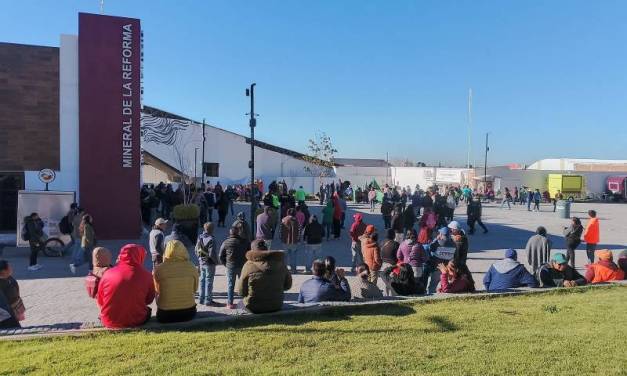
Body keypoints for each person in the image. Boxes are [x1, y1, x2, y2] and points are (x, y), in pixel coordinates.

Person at [97, 244, 155, 328]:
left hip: (108, 320)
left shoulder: (108, 273)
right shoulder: (147, 275)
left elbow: (100, 300)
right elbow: (149, 300)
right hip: (137, 320)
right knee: (147, 310)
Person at [237, 239, 292, 313]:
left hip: (254, 306)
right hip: (276, 305)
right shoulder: (280, 263)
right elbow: (288, 286)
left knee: (239, 304)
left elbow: (241, 292)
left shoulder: (248, 265)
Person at [153, 240, 198, 323]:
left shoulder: (159, 269)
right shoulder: (192, 267)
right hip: (188, 313)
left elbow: (157, 291)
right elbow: (194, 289)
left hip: (165, 315)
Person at [220, 227, 250, 309]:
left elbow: (220, 255)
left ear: (230, 233)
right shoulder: (244, 242)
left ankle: (230, 303)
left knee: (230, 285)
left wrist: (225, 264)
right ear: (238, 233)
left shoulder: (226, 242)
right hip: (242, 266)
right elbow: (249, 252)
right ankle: (244, 302)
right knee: (243, 284)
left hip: (231, 266)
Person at [196, 222, 220, 306]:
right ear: (212, 229)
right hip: (209, 263)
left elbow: (196, 250)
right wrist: (216, 262)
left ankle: (201, 299)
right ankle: (208, 300)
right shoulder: (211, 239)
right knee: (209, 281)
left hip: (201, 262)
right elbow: (212, 254)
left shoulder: (199, 237)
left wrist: (199, 259)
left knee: (202, 280)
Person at [0, 260, 25, 326]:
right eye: (9, 267)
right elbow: (4, 302)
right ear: (3, 271)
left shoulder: (9, 278)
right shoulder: (2, 283)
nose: (11, 268)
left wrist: (19, 310)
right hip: (7, 314)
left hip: (14, 308)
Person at [281, 208, 300, 273]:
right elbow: (299, 231)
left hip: (285, 241)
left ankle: (284, 269)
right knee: (293, 256)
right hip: (294, 242)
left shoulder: (283, 220)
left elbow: (280, 230)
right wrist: (298, 239)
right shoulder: (296, 221)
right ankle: (293, 269)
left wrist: (281, 238)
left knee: (285, 256)